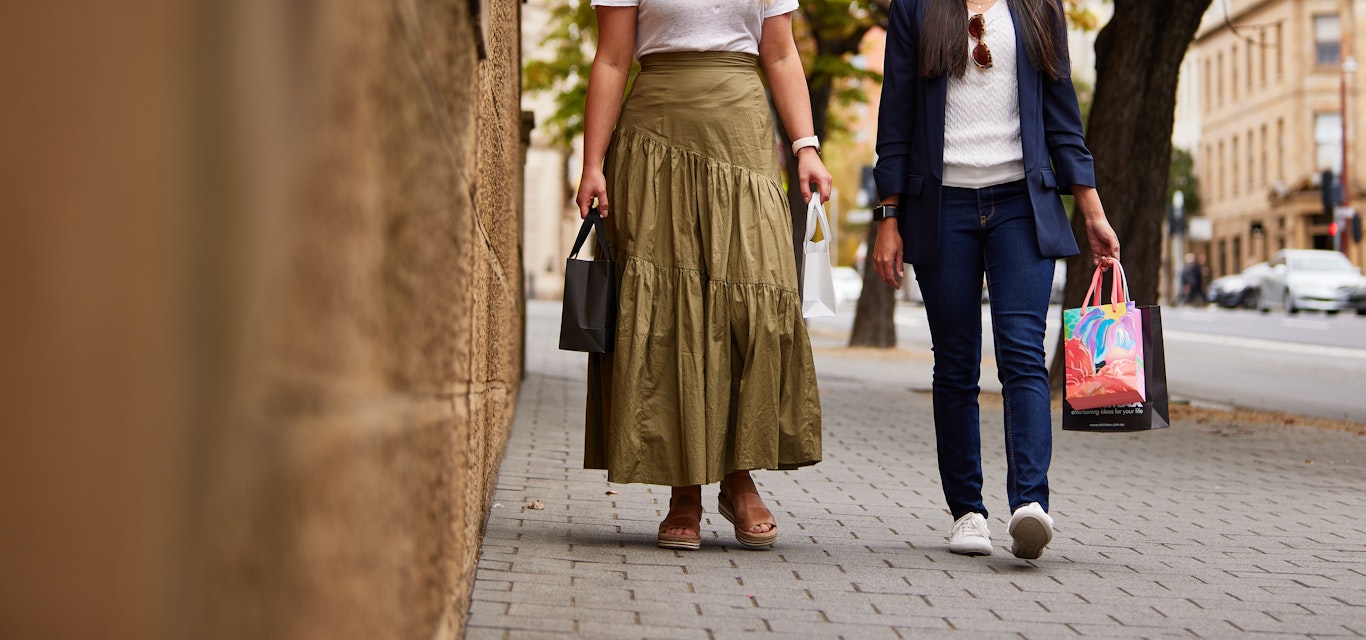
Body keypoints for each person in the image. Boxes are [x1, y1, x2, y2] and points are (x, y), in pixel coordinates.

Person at [576, 0, 832, 550]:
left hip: (741, 133)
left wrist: (806, 147)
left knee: (755, 304)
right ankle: (684, 491)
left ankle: (739, 476)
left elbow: (782, 54)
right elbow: (613, 59)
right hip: (654, 137)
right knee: (671, 314)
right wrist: (592, 163)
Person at [870, 0, 1120, 560]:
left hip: (1020, 206)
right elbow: (896, 115)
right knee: (956, 364)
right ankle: (968, 513)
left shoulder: (1036, 8)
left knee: (1024, 355)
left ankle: (1030, 505)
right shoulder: (915, 9)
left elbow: (1062, 114)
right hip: (941, 207)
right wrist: (889, 218)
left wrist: (1092, 211)